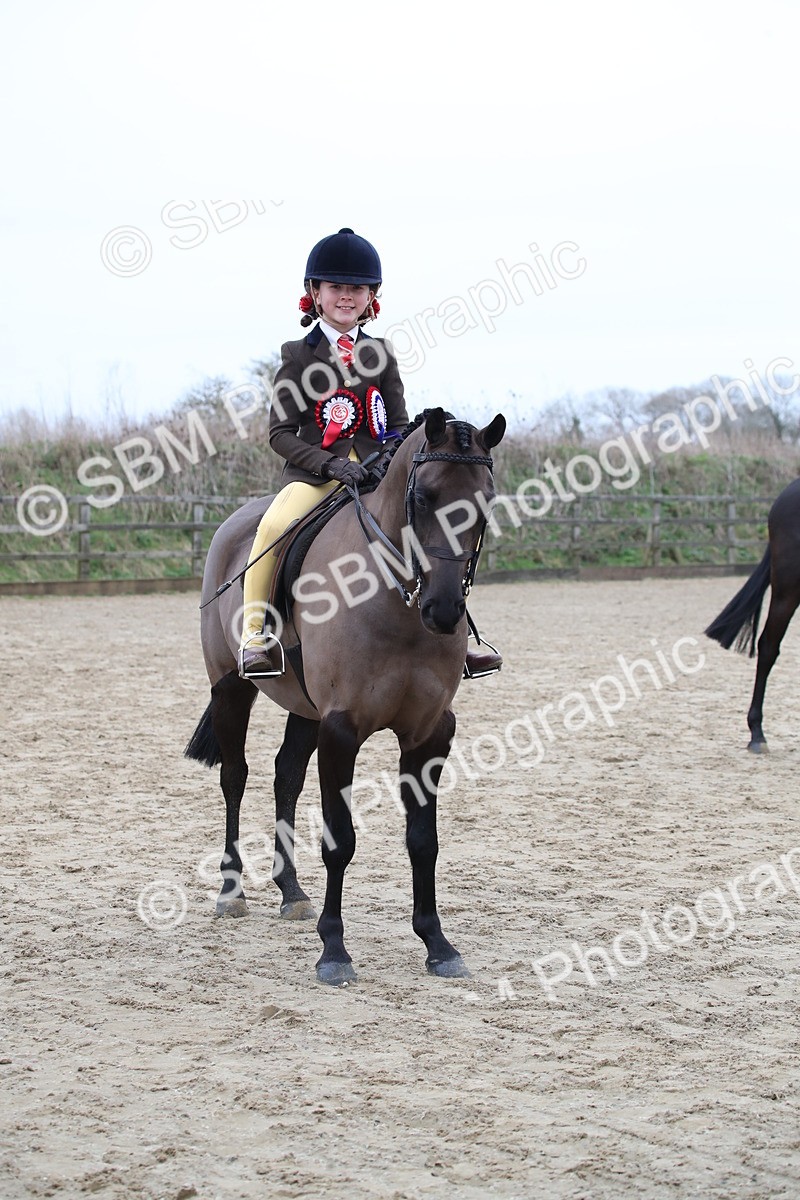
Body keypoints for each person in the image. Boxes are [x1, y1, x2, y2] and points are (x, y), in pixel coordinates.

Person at [238, 227, 502, 680]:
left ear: (371, 297)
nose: (346, 296)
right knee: (273, 528)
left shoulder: (381, 353)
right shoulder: (297, 356)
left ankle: (460, 637)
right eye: (336, 287)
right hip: (315, 476)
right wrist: (332, 464)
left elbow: (398, 423)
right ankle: (256, 635)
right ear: (315, 294)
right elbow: (280, 433)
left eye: (356, 288)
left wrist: (388, 457)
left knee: (435, 527)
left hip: (380, 474)